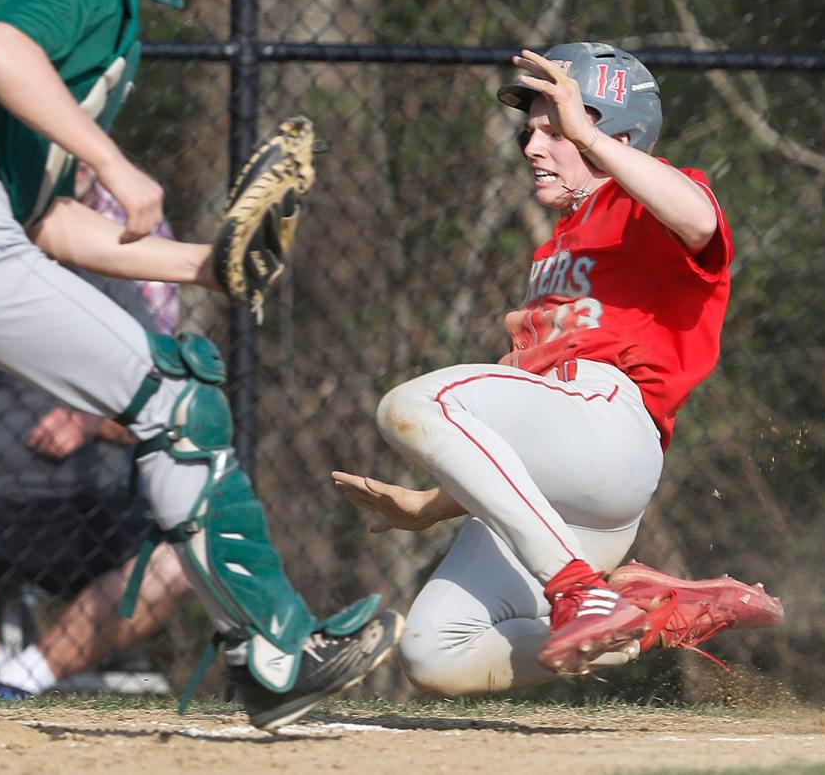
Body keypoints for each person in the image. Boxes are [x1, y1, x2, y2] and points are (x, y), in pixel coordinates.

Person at [0, 0, 400, 731]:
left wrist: (203, 267)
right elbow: (2, 49)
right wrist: (112, 158)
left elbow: (40, 222)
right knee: (176, 397)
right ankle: (275, 652)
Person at [333, 42, 782, 697]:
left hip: (611, 427)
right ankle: (648, 618)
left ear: (614, 134)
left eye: (557, 128)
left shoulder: (643, 205)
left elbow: (699, 217)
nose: (534, 146)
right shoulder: (554, 248)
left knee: (409, 404)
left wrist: (591, 140)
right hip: (569, 494)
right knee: (437, 655)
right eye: (532, 130)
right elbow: (519, 438)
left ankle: (577, 591)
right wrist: (429, 507)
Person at [0, 174, 190, 700]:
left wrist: (92, 420)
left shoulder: (116, 257)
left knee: (181, 560)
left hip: (86, 497)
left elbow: (166, 395)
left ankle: (20, 681)